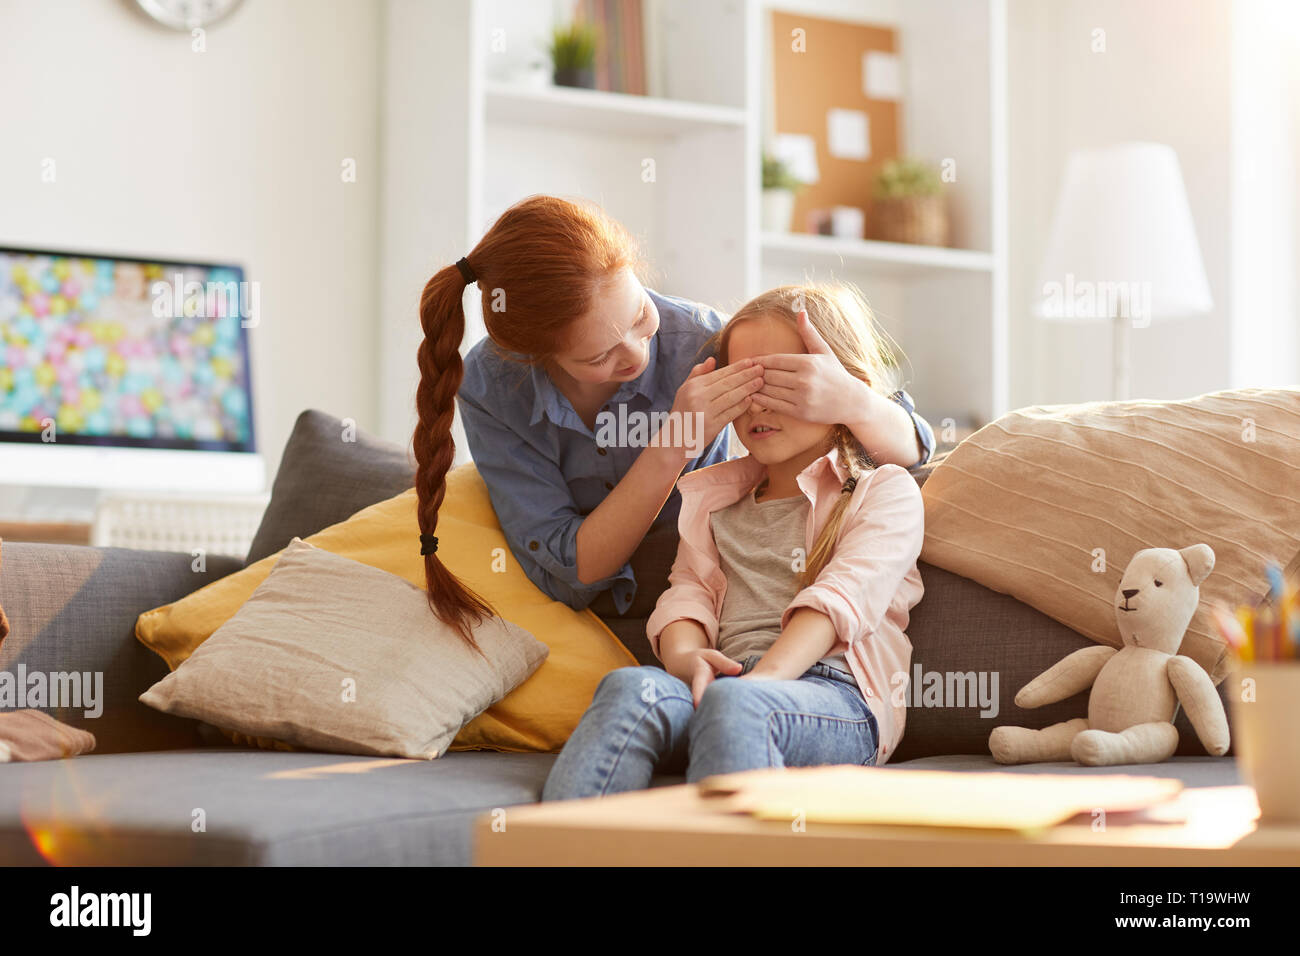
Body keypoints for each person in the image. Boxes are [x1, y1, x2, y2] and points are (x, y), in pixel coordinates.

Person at [411, 194, 932, 651]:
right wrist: (675, 441)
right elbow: (573, 573)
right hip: (604, 625)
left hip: (711, 611)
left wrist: (855, 403)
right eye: (599, 357)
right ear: (534, 356)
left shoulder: (699, 339)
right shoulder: (493, 385)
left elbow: (911, 452)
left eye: (640, 316)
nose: (637, 354)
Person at [542, 283, 925, 798]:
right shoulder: (714, 497)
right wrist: (686, 659)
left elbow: (840, 600)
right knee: (631, 688)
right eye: (741, 384)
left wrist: (761, 683)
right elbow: (687, 593)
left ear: (840, 386)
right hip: (725, 685)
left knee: (734, 706)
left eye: (782, 380)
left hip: (840, 699)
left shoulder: (884, 492)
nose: (758, 403)